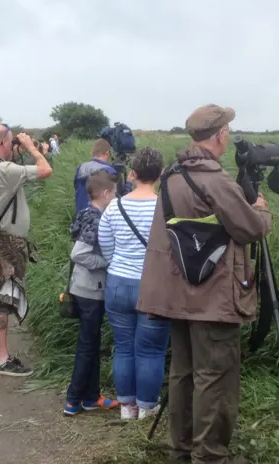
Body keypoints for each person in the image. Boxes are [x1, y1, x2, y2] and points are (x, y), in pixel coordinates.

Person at [136, 104, 272, 463]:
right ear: (221, 135)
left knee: (183, 374)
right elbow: (251, 229)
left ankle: (180, 451)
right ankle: (210, 456)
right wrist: (260, 207)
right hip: (213, 298)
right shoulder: (215, 179)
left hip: (177, 295)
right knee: (215, 379)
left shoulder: (171, 176)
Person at [0, 124, 53, 377]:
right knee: (4, 297)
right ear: (5, 142)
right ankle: (3, 360)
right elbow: (45, 169)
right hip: (8, 243)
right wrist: (30, 147)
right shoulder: (5, 170)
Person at [97, 147, 169, 420]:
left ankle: (127, 407)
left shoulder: (115, 205)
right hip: (153, 285)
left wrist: (120, 264)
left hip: (117, 284)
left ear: (133, 174)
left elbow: (105, 245)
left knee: (124, 346)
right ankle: (147, 406)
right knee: (150, 350)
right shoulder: (165, 207)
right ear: (161, 174)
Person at [64, 171, 119, 416]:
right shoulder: (97, 219)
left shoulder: (86, 212)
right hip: (90, 290)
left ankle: (91, 397)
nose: (116, 197)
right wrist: (107, 260)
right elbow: (78, 254)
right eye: (115, 192)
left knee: (92, 342)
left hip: (81, 287)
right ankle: (73, 399)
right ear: (106, 193)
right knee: (87, 345)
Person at [74, 139, 125, 214]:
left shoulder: (81, 168)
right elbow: (116, 199)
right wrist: (129, 184)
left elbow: (76, 188)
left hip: (81, 216)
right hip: (100, 218)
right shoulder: (109, 171)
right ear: (107, 153)